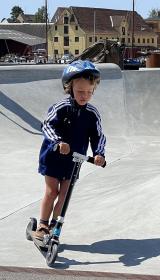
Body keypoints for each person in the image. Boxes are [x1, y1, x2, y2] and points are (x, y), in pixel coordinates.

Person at [35, 60, 106, 240]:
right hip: (53, 157)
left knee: (65, 195)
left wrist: (99, 153)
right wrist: (58, 142)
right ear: (70, 87)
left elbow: (98, 136)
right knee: (52, 192)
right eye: (80, 91)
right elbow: (47, 126)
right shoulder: (61, 107)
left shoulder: (92, 113)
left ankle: (53, 226)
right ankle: (42, 224)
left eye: (89, 92)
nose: (85, 96)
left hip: (74, 161)